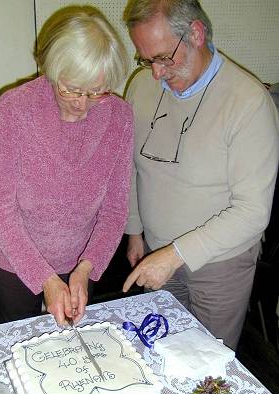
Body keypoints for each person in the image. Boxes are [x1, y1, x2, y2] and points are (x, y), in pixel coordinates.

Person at [122, 0, 279, 350]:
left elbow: (252, 212)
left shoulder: (248, 102)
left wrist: (173, 254)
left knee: (207, 363)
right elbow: (132, 166)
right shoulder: (141, 88)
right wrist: (134, 230)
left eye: (163, 57)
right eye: (146, 60)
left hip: (220, 265)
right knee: (159, 351)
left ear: (195, 34)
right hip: (156, 251)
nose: (156, 73)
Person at [0, 5, 133, 326]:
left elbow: (115, 208)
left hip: (80, 257)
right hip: (11, 253)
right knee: (18, 336)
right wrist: (44, 277)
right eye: (72, 90)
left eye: (96, 92)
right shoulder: (13, 109)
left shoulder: (119, 116)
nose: (83, 104)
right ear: (52, 68)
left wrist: (87, 266)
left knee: (68, 343)